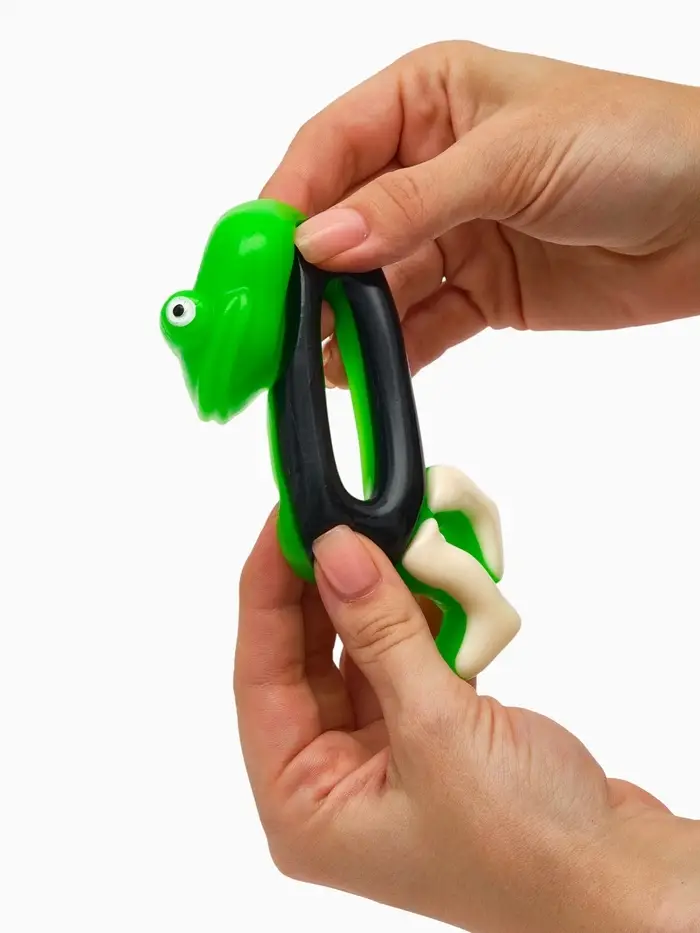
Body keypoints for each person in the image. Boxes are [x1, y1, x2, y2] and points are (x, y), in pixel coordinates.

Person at [233, 42, 700, 932]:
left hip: (395, 516)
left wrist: (592, 871)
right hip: (396, 509)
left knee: (439, 555)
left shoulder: (347, 292)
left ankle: (473, 603)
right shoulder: (332, 314)